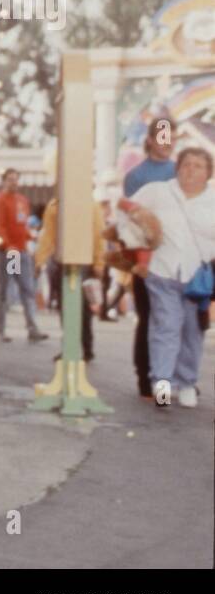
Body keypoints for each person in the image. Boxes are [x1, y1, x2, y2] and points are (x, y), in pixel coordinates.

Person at [121, 147, 215, 408]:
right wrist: (137, 241)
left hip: (199, 279)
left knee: (192, 332)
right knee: (165, 328)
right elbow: (125, 212)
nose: (191, 170)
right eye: (186, 164)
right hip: (162, 273)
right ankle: (162, 384)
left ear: (209, 172)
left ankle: (186, 383)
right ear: (177, 167)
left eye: (198, 166)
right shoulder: (158, 191)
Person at [121, 118, 176, 396]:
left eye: (171, 137)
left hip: (177, 257)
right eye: (162, 137)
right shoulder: (136, 176)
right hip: (147, 256)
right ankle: (145, 376)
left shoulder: (182, 171)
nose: (167, 143)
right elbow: (133, 220)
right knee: (148, 316)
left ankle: (168, 376)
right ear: (152, 139)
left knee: (173, 320)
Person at [34, 198, 105, 360]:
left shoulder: (89, 205)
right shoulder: (54, 205)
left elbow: (98, 235)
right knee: (66, 306)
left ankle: (84, 347)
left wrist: (99, 262)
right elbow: (48, 235)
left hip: (81, 261)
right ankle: (72, 347)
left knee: (81, 308)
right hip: (13, 253)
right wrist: (40, 259)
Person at [0, 168, 48, 342]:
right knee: (4, 289)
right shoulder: (0, 200)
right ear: (4, 181)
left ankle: (32, 328)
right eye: (10, 179)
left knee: (28, 289)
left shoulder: (22, 200)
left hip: (21, 251)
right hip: (9, 252)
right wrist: (7, 244)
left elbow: (22, 225)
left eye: (16, 179)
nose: (14, 183)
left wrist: (29, 237)